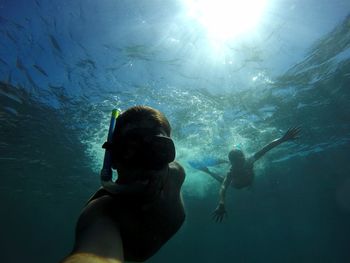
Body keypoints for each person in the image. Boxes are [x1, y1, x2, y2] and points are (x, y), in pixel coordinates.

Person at [60, 106, 186, 263]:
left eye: (159, 149)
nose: (145, 165)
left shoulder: (177, 173)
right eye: (130, 151)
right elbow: (92, 255)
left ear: (169, 154)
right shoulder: (103, 210)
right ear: (112, 161)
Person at [197, 127, 301, 222]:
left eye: (242, 158)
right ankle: (208, 171)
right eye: (237, 161)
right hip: (237, 185)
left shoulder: (249, 161)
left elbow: (267, 148)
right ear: (233, 163)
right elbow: (223, 187)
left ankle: (220, 163)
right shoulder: (231, 171)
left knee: (227, 180)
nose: (241, 162)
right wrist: (221, 202)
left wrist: (282, 139)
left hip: (249, 180)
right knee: (224, 180)